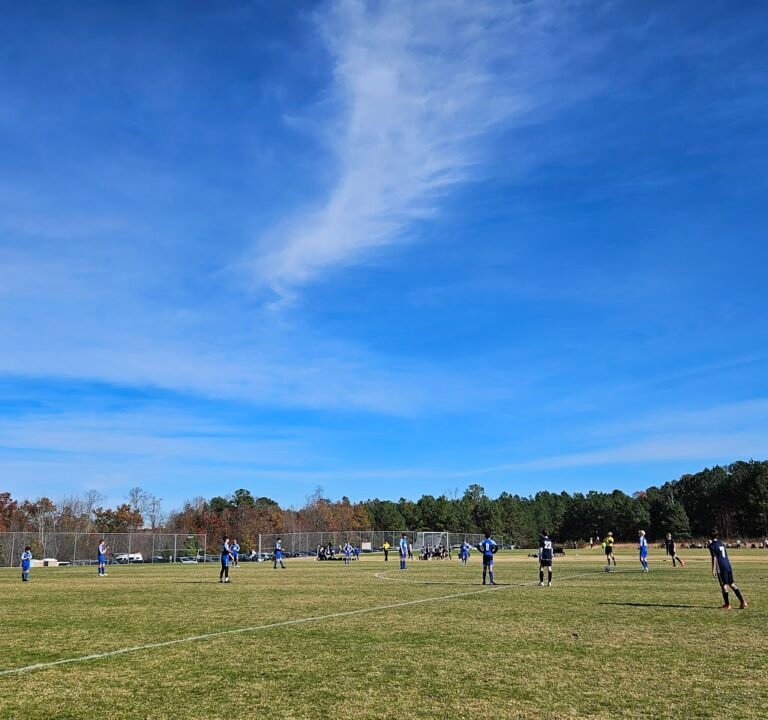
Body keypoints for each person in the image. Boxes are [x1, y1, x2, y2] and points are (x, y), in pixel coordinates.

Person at [709, 529, 747, 610]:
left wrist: (713, 570)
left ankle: (727, 605)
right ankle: (743, 602)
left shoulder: (712, 545)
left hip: (721, 567)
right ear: (717, 535)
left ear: (710, 536)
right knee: (732, 584)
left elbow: (714, 558)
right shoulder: (721, 544)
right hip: (728, 565)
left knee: (724, 585)